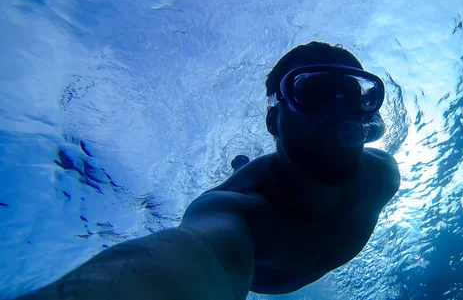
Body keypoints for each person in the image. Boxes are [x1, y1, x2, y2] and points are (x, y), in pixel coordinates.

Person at [17, 42, 400, 300]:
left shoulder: (382, 174)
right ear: (273, 120)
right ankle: (241, 165)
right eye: (312, 92)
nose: (338, 111)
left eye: (354, 95)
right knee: (245, 170)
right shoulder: (236, 212)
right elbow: (189, 256)